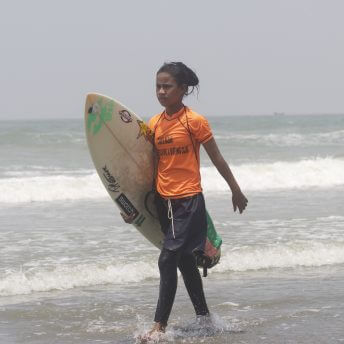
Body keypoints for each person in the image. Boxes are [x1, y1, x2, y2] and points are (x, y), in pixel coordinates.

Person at [123, 62, 248, 342]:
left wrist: (235, 190)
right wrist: (131, 206)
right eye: (158, 86)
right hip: (162, 201)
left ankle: (159, 327)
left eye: (167, 86)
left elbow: (217, 157)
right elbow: (147, 168)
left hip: (188, 201)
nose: (161, 91)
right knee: (183, 262)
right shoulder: (154, 124)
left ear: (183, 89)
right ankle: (205, 318)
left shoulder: (194, 121)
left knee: (166, 259)